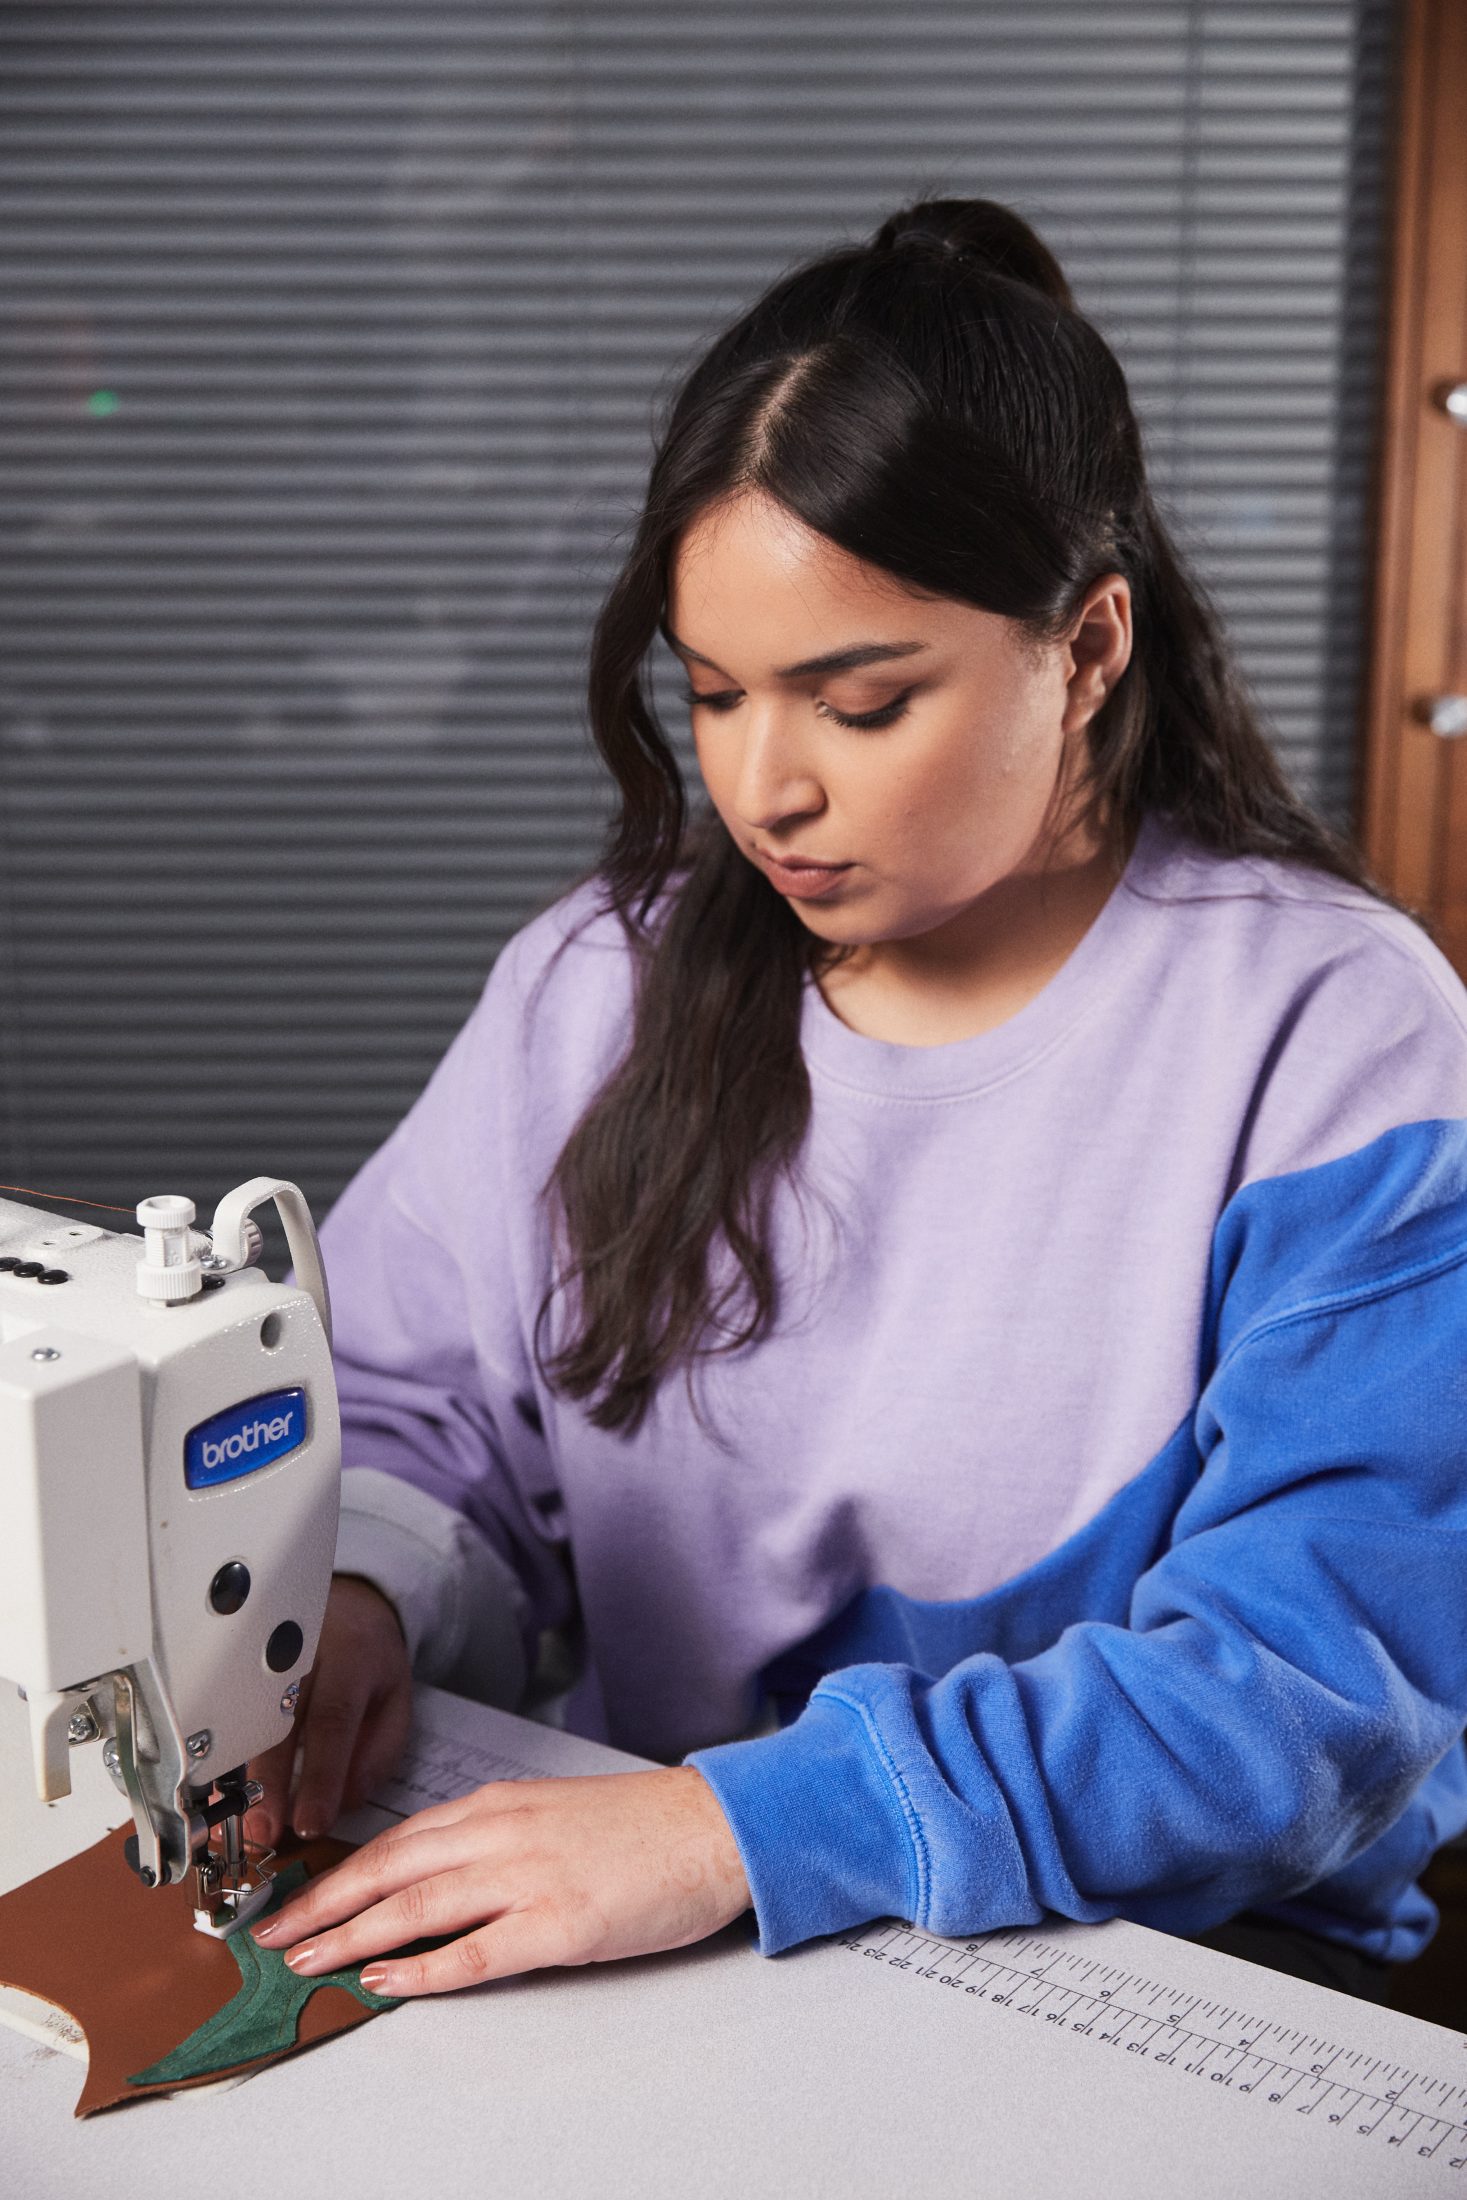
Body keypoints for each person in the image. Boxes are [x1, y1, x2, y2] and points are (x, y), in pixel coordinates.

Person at [247, 199, 1467, 2007]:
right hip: (680, 1928)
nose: (763, 789)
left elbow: (1304, 1695)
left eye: (862, 702)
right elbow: (423, 1415)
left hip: (1176, 1969)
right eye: (714, 692)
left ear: (1090, 647)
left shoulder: (1341, 1037)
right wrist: (355, 1596)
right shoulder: (598, 983)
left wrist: (742, 1828)